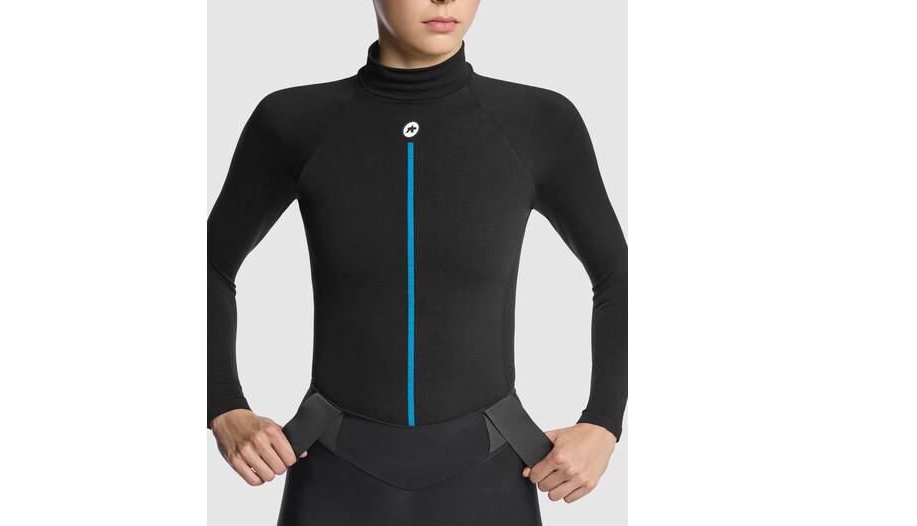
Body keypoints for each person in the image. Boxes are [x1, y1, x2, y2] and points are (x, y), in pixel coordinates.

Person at [207, 1, 627, 524]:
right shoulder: (293, 120)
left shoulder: (539, 121)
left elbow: (618, 276)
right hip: (333, 475)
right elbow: (209, 265)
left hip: (492, 476)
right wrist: (222, 404)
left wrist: (603, 423)